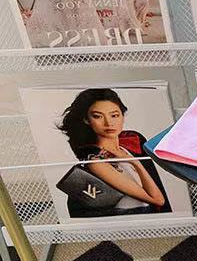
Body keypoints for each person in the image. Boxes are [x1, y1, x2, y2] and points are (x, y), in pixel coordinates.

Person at [57, 88, 171, 218]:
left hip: (149, 216)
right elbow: (158, 200)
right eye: (98, 116)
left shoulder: (131, 146)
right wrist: (134, 162)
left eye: (114, 115)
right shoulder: (97, 162)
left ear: (122, 116)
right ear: (87, 120)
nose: (108, 123)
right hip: (128, 218)